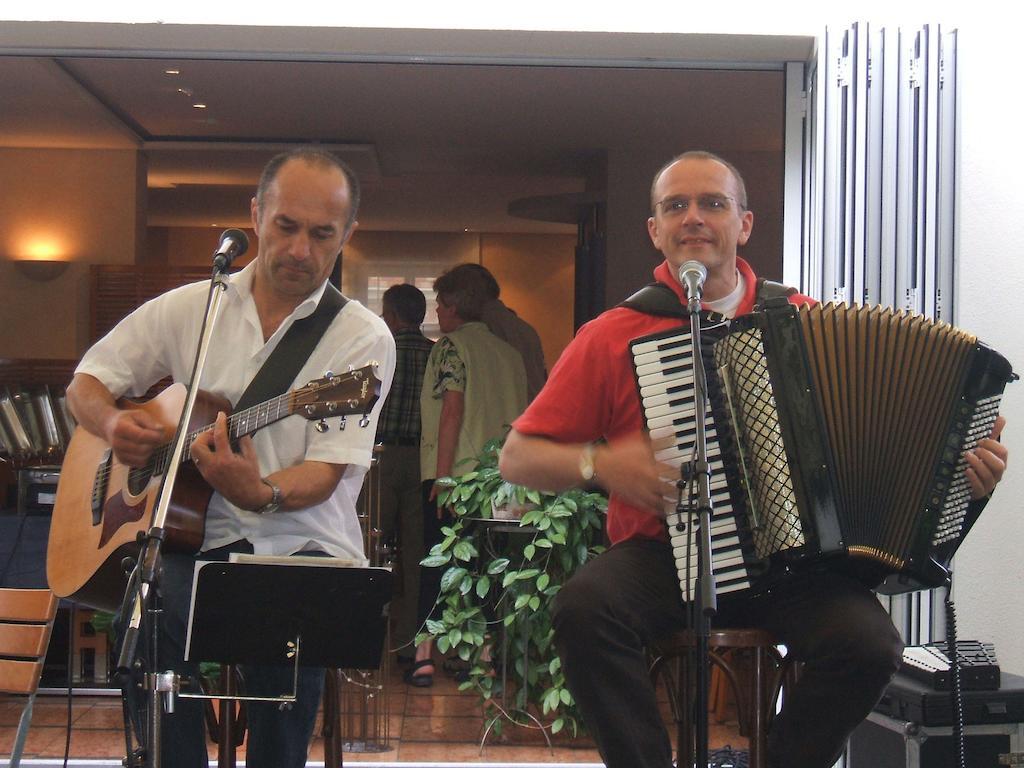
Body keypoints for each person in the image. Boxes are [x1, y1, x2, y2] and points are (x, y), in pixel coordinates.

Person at [499, 150, 1009, 768]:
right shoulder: (614, 333)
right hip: (666, 555)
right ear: (654, 230)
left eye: (713, 203)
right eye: (675, 206)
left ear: (744, 224)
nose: (693, 218)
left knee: (870, 645)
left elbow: (898, 453)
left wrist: (964, 478)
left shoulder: (803, 322)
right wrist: (601, 466)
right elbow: (518, 458)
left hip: (793, 561)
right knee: (585, 609)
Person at [65, 148, 396, 768]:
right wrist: (113, 424)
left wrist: (258, 491)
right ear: (255, 215)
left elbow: (325, 471)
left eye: (322, 234)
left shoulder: (359, 338)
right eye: (286, 226)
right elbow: (87, 381)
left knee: (283, 633)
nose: (300, 250)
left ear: (347, 235)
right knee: (146, 621)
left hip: (301, 546)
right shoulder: (197, 306)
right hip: (192, 545)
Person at [405, 264, 528, 686]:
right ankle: (484, 656)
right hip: (503, 479)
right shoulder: (511, 357)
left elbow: (451, 410)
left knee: (437, 565)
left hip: (456, 476)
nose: (437, 310)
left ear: (454, 305)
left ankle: (424, 656)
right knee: (489, 569)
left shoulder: (450, 348)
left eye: (440, 302)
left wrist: (441, 479)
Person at [376, 283, 434, 657]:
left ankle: (370, 640)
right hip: (424, 458)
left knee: (374, 546)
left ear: (393, 316)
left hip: (382, 457)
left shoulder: (383, 352)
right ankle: (413, 646)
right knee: (417, 554)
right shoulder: (436, 353)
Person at [459, 263, 548, 402]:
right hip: (534, 410)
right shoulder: (526, 329)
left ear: (466, 296)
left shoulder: (481, 329)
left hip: (505, 414)